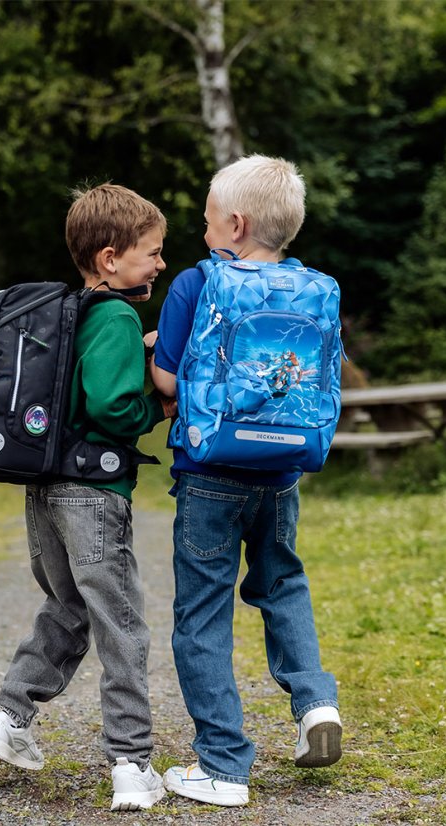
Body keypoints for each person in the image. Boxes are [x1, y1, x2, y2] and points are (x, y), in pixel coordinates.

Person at [0, 183, 176, 812]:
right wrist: (157, 405)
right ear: (111, 259)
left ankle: (7, 718)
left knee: (68, 609)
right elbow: (111, 405)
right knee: (122, 626)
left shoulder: (72, 312)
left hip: (45, 490)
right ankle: (132, 765)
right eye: (152, 253)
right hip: (92, 493)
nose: (161, 264)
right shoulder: (116, 315)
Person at [149, 155, 342, 808]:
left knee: (202, 614)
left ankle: (224, 768)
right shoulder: (317, 289)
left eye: (205, 223)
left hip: (210, 476)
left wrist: (154, 354)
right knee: (282, 583)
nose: (202, 235)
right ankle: (315, 704)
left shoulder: (196, 284)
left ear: (233, 224)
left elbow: (172, 386)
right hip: (283, 474)